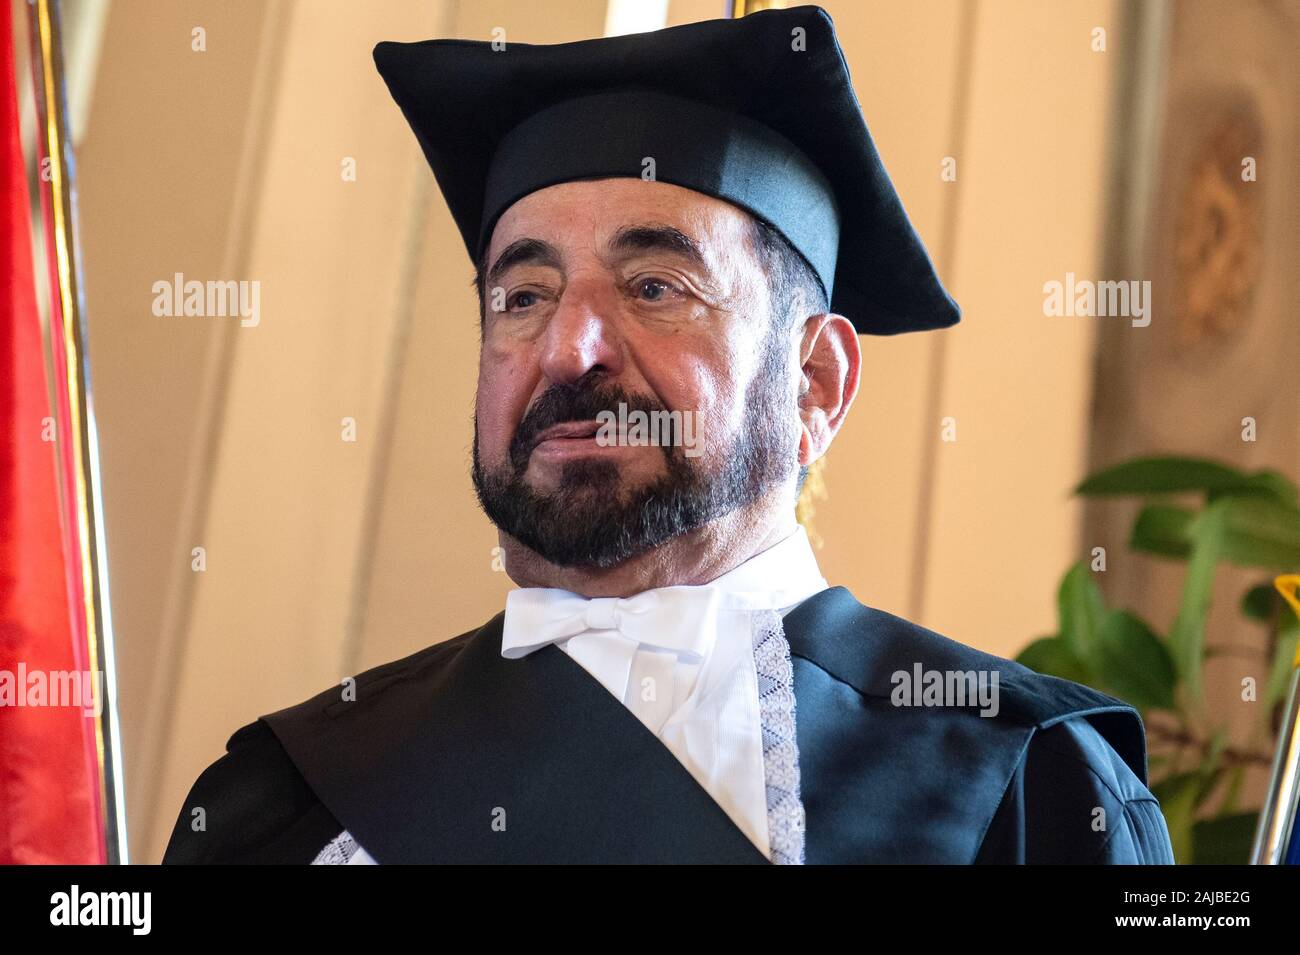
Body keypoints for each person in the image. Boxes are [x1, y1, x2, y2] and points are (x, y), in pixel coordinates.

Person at [163, 6, 1174, 864]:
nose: (567, 350)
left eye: (654, 287)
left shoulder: (1026, 784)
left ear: (814, 380)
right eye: (521, 295)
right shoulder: (291, 797)